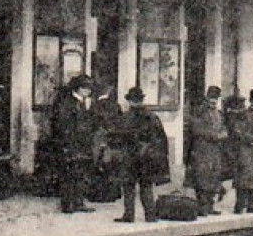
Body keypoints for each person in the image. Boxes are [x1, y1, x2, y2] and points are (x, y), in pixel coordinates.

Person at [112, 86, 169, 223]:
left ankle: (129, 215)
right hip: (146, 157)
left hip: (130, 156)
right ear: (142, 100)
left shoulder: (125, 117)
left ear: (130, 101)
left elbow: (117, 137)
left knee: (129, 186)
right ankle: (150, 215)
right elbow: (161, 138)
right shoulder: (152, 117)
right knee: (146, 186)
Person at [53, 75, 98, 214]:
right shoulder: (67, 103)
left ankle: (79, 202)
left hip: (83, 145)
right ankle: (68, 205)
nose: (89, 92)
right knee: (68, 174)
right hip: (70, 144)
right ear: (79, 88)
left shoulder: (84, 103)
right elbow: (62, 125)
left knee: (81, 174)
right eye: (87, 88)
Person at [186, 85, 228, 213]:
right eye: (211, 98)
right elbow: (196, 129)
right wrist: (214, 135)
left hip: (215, 151)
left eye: (216, 98)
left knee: (213, 177)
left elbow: (224, 128)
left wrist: (225, 133)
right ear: (207, 98)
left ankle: (210, 206)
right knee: (201, 177)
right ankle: (201, 207)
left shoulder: (219, 114)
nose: (213, 101)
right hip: (202, 150)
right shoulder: (199, 112)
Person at [229, 88, 253, 214]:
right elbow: (237, 131)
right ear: (250, 101)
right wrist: (250, 138)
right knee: (243, 176)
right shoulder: (243, 115)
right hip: (245, 150)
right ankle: (240, 204)